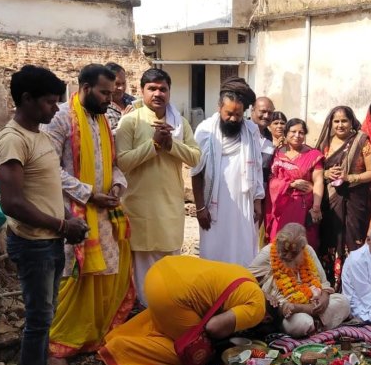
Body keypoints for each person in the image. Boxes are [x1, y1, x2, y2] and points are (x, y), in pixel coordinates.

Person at [0, 65, 88, 365]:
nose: (55, 109)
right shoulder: (12, 140)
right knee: (37, 319)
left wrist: (63, 225)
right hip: (33, 243)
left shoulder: (38, 135)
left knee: (46, 316)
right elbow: (13, 203)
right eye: (49, 102)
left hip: (49, 240)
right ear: (26, 99)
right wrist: (64, 227)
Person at [42, 64, 135, 365]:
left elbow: (114, 165)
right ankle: (57, 349)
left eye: (112, 93)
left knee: (106, 277)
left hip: (105, 214)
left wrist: (116, 187)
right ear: (83, 87)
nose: (110, 99)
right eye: (104, 92)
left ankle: (93, 337)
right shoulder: (60, 120)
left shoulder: (103, 120)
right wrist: (88, 194)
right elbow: (49, 169)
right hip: (75, 216)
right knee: (75, 280)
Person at [116, 68, 202, 306]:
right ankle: (146, 316)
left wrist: (170, 145)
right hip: (140, 209)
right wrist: (153, 145)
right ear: (141, 91)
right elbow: (122, 161)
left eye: (162, 89)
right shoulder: (130, 121)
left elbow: (195, 158)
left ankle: (166, 315)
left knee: (169, 270)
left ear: (169, 92)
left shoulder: (180, 122)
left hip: (171, 208)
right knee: (144, 274)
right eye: (152, 88)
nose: (158, 93)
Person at [97, 256, 266, 365]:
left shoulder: (249, 278)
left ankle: (118, 335)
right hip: (169, 294)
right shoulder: (257, 308)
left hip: (163, 269)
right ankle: (118, 350)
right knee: (193, 353)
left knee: (164, 322)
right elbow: (213, 328)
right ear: (268, 317)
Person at [192, 77, 270, 266]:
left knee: (242, 250)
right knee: (214, 251)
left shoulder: (251, 130)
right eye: (229, 113)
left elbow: (258, 168)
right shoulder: (205, 131)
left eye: (238, 114)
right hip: (214, 204)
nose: (234, 118)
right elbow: (196, 172)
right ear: (219, 107)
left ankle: (239, 289)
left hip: (244, 202)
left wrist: (258, 202)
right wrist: (200, 207)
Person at [316, 105, 371, 290]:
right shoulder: (323, 144)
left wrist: (349, 177)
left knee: (354, 240)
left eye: (344, 120)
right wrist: (327, 173)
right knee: (329, 239)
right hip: (330, 201)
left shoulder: (361, 141)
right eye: (336, 121)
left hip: (355, 201)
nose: (340, 125)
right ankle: (331, 284)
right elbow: (315, 172)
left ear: (352, 122)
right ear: (331, 123)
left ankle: (354, 285)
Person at [248, 223, 350, 337]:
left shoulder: (308, 250)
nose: (288, 258)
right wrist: (266, 296)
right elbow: (246, 280)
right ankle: (317, 323)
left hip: (315, 302)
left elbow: (323, 282)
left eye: (294, 257)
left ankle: (315, 325)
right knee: (302, 323)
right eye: (285, 256)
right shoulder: (268, 253)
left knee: (344, 302)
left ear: (302, 248)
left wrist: (325, 297)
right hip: (289, 310)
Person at [264, 118, 324, 247]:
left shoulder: (313, 155)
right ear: (286, 133)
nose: (297, 135)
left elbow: (318, 181)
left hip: (302, 207)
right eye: (293, 131)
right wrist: (290, 184)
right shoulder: (276, 154)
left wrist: (316, 208)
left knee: (300, 243)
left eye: (301, 132)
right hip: (280, 206)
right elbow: (271, 179)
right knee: (278, 242)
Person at [104, 62, 136, 131]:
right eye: (117, 84)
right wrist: (123, 121)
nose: (121, 88)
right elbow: (106, 137)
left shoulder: (132, 100)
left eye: (123, 83)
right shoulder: (101, 108)